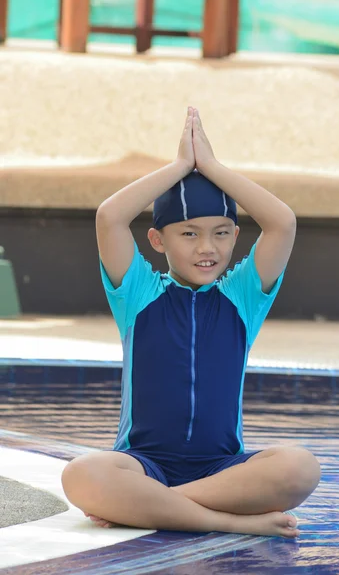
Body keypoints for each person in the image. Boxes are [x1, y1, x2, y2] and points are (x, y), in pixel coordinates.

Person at [62, 106, 320, 538]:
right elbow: (109, 216)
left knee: (300, 467)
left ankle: (159, 507)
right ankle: (227, 521)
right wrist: (181, 165)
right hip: (142, 464)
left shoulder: (242, 298)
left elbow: (282, 222)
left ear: (236, 237)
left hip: (224, 469)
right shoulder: (139, 294)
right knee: (82, 474)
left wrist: (213, 167)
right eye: (189, 233)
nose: (208, 248)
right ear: (157, 239)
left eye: (221, 232)